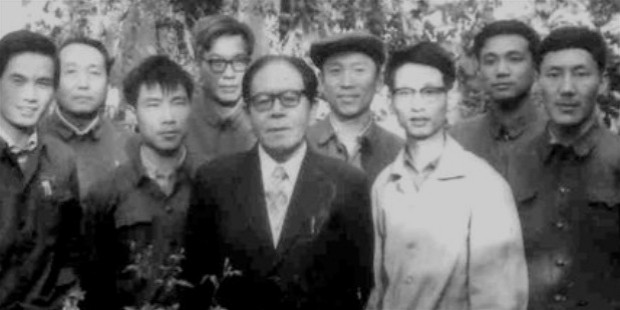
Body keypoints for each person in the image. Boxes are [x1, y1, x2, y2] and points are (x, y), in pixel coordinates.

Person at [183, 55, 373, 310]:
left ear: (313, 108)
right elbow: (195, 284)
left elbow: (359, 285)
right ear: (248, 112)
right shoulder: (213, 181)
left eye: (290, 99)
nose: (276, 111)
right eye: (262, 102)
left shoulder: (349, 185)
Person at [368, 42, 528, 310]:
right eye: (405, 93)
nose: (417, 105)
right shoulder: (385, 184)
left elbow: (501, 300)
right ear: (390, 100)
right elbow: (381, 289)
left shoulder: (484, 186)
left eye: (429, 92)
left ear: (450, 96)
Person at [506, 26, 620, 309]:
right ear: (537, 81)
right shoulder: (514, 161)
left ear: (602, 82)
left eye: (581, 74)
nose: (567, 89)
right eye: (554, 75)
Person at [82, 55, 197, 310]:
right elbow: (95, 286)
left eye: (178, 103)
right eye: (153, 104)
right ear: (134, 114)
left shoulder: (211, 185)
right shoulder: (106, 193)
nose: (168, 117)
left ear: (190, 108)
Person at [0, 30, 82, 309]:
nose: (31, 96)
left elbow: (70, 250)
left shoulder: (62, 160)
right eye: (18, 81)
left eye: (43, 83)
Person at [450, 20, 547, 175]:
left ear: (535, 67)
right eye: (490, 61)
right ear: (479, 69)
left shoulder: (557, 134)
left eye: (514, 59)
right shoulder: (458, 139)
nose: (501, 70)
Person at [40, 37, 131, 199]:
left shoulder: (130, 145)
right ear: (53, 80)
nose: (83, 84)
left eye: (94, 72)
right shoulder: (28, 142)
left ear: (107, 82)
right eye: (71, 71)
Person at [307, 32, 403, 182]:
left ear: (378, 81)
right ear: (321, 82)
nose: (347, 83)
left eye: (359, 70)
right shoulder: (301, 145)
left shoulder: (398, 152)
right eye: (335, 71)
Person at [184, 15, 257, 161]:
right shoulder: (179, 121)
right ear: (198, 63)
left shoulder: (264, 120)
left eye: (239, 61)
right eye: (217, 63)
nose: (229, 74)